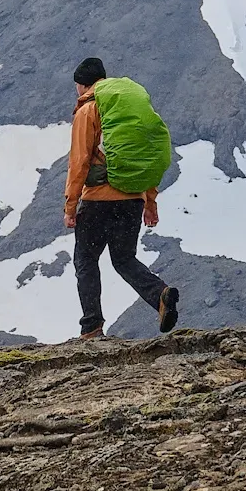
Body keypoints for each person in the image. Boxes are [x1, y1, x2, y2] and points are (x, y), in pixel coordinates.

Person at [64, 57, 180, 338]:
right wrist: (150, 202)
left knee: (86, 259)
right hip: (133, 199)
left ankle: (91, 326)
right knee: (124, 258)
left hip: (99, 202)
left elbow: (79, 162)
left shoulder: (89, 110)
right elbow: (146, 157)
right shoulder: (129, 110)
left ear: (82, 85)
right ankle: (160, 295)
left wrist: (70, 206)